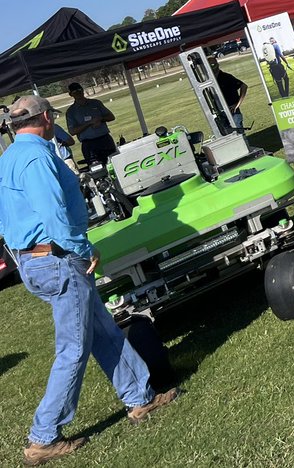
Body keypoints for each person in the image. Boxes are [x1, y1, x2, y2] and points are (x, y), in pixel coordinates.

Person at [0, 95, 178, 466]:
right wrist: (82, 246)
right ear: (47, 118)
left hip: (36, 260)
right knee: (74, 348)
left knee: (103, 330)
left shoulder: (10, 157)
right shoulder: (35, 157)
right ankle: (42, 436)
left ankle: (140, 398)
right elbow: (53, 213)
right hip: (59, 259)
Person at [65, 82, 118, 166]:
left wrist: (101, 119)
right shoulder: (71, 112)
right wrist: (89, 123)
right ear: (71, 94)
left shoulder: (96, 103)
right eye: (75, 92)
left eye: (79, 90)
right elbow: (72, 131)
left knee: (115, 164)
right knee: (97, 169)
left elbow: (111, 117)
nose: (78, 93)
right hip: (89, 144)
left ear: (83, 90)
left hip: (105, 139)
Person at [209, 55, 249, 132]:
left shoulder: (226, 77)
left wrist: (237, 105)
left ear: (217, 65)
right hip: (220, 113)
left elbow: (244, 86)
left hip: (232, 111)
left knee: (238, 134)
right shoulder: (210, 81)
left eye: (213, 65)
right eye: (209, 65)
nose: (211, 67)